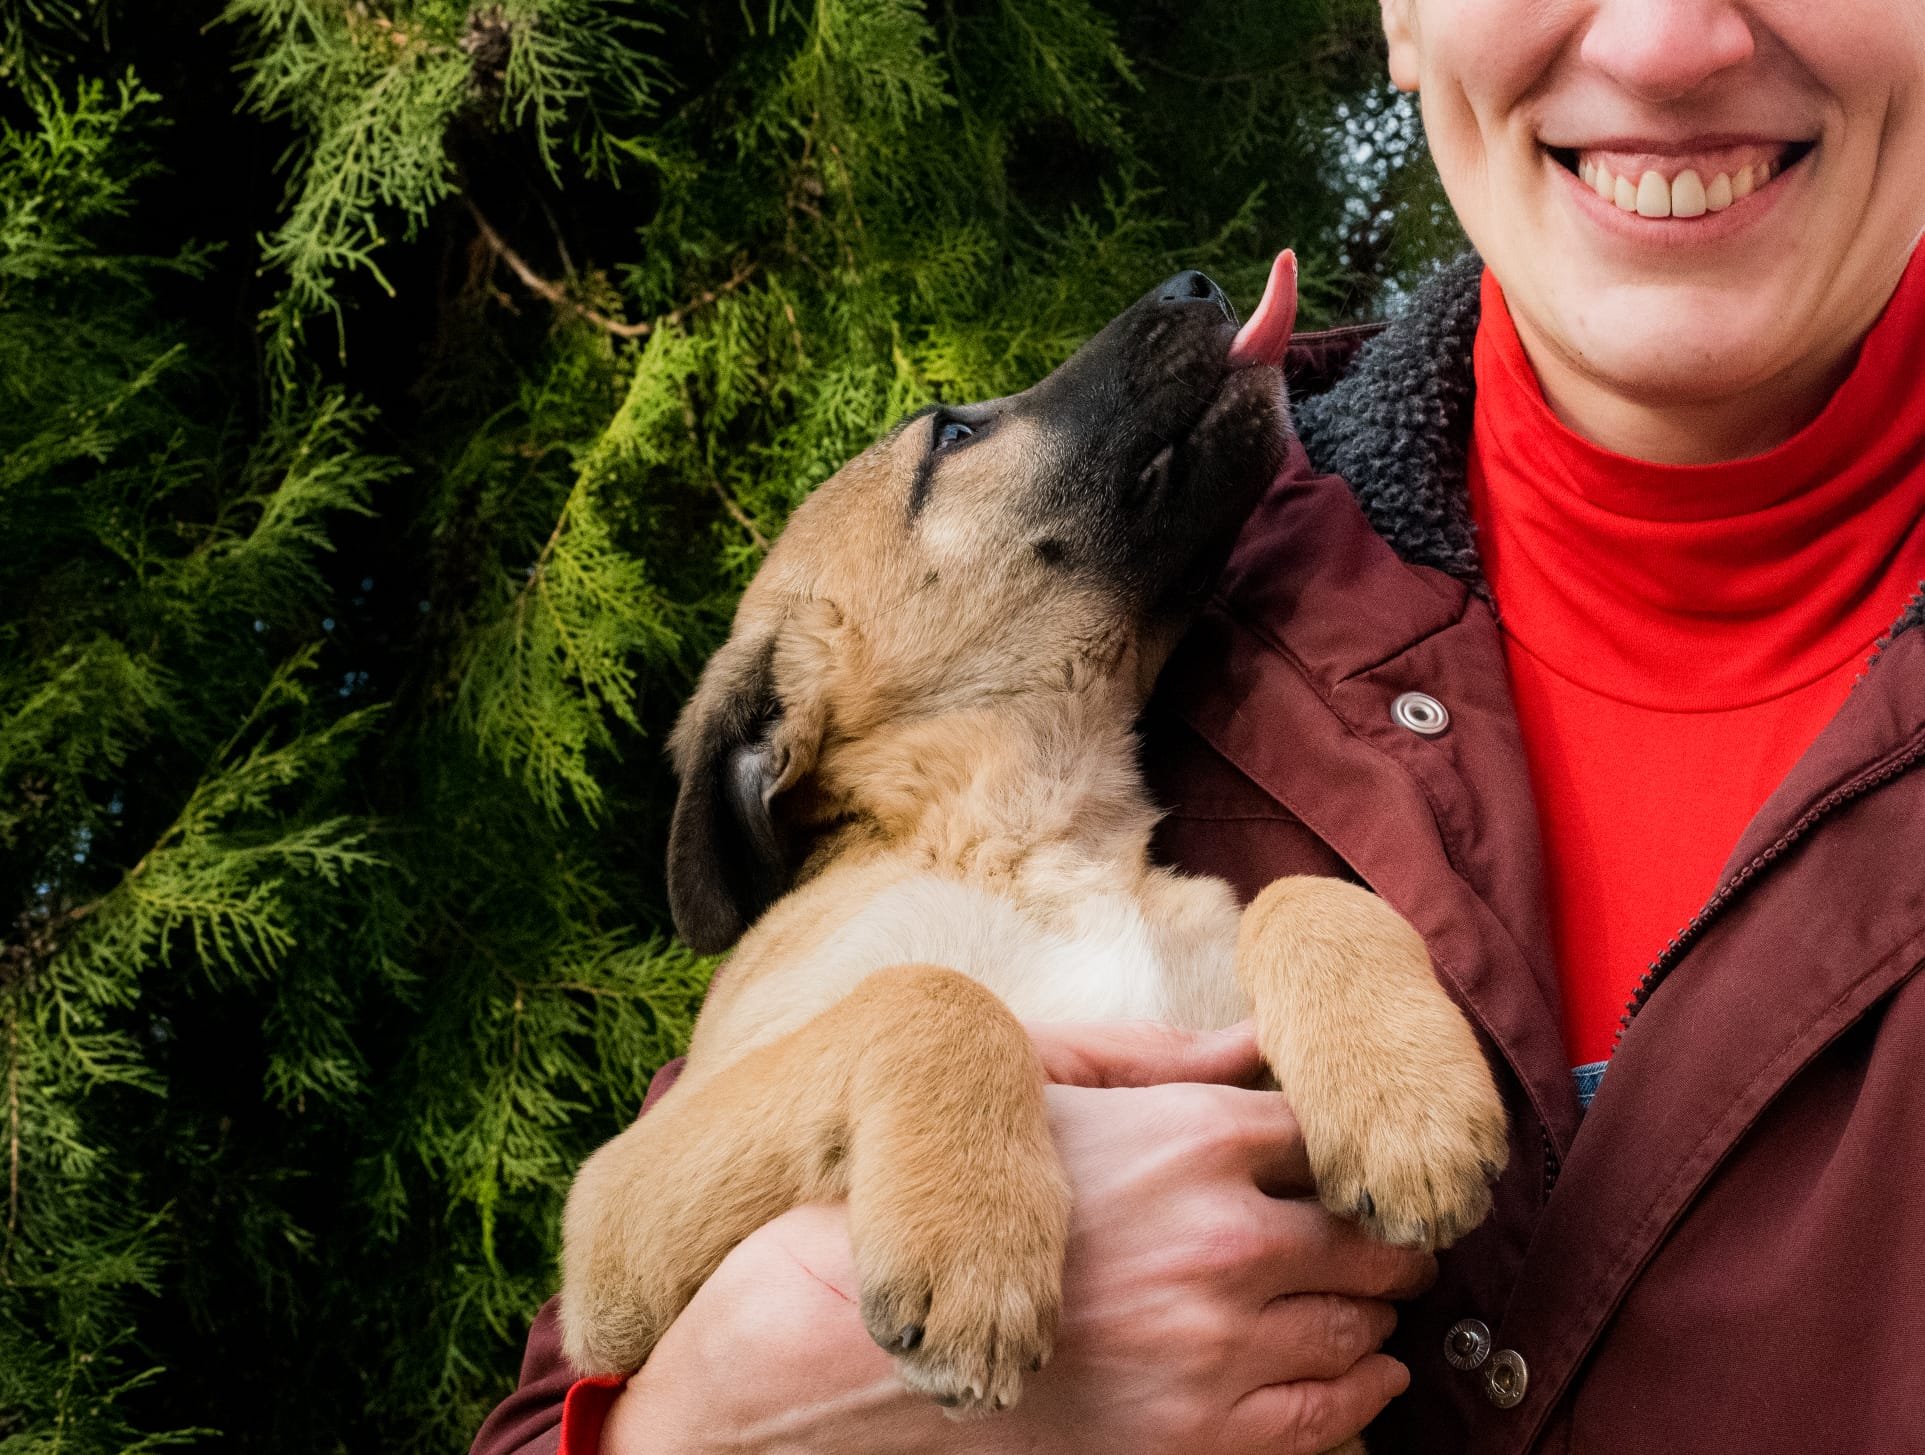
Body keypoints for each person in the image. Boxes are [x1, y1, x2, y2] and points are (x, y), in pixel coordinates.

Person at [472, 1, 1925, 1450]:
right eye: (961, 446)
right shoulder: (1159, 697)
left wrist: (1324, 940)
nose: (1668, 41)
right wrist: (724, 1414)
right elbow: (600, 1308)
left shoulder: (1186, 828)